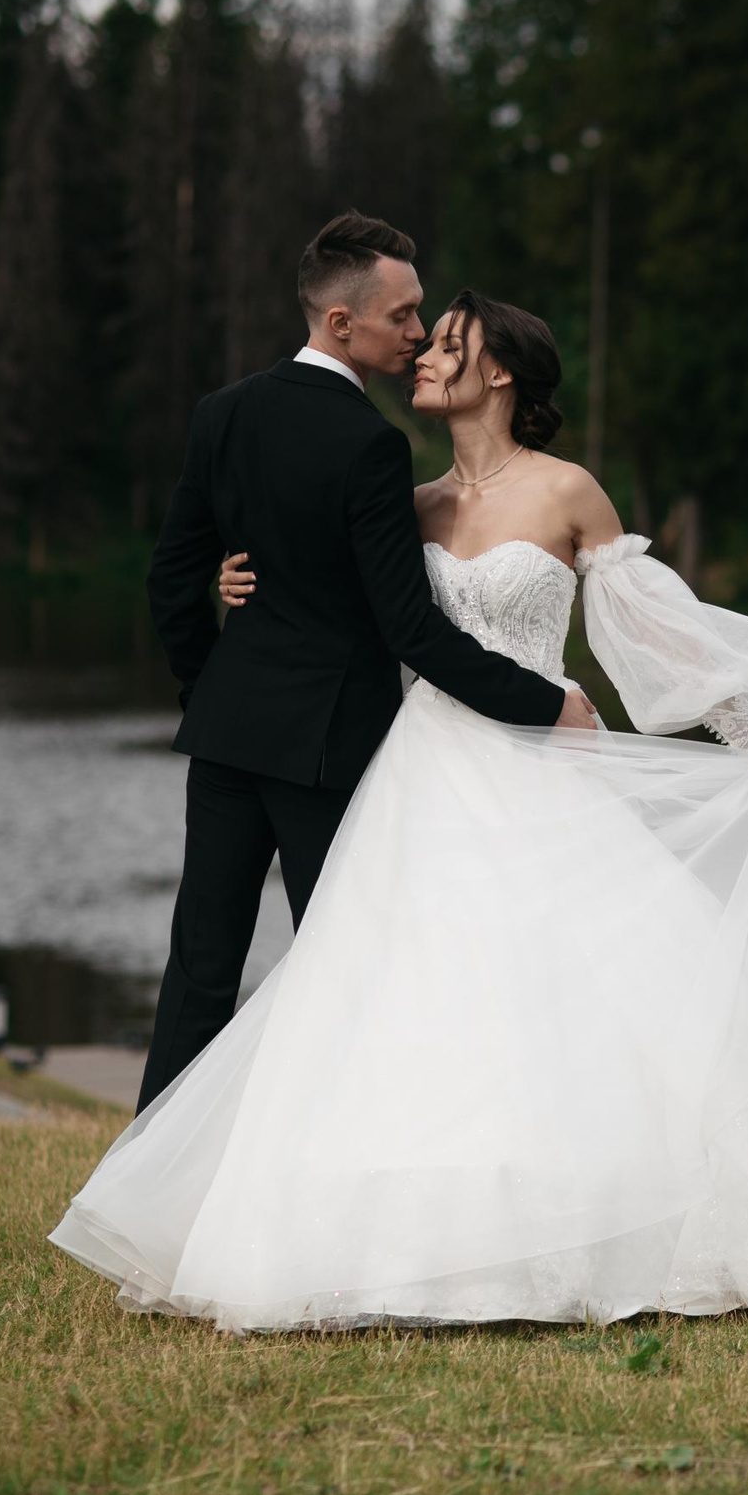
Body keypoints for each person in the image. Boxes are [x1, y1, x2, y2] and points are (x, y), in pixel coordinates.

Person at [50, 287, 748, 1330]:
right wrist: (229, 588)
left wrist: (747, 735)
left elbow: (649, 632)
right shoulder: (407, 499)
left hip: (546, 772)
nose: (423, 355)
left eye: (448, 342)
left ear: (499, 372)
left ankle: (602, 1224)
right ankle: (409, 1240)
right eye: (423, 337)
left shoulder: (568, 491)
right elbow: (338, 604)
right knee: (405, 1000)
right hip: (423, 776)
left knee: (580, 1001)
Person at [134, 214, 599, 1113]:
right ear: (342, 324)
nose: (418, 332)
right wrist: (543, 705)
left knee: (200, 965)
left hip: (229, 739)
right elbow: (410, 631)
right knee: (346, 969)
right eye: (404, 315)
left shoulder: (220, 413)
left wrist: (211, 687)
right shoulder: (371, 446)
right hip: (328, 751)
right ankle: (345, 1162)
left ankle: (144, 1183)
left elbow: (169, 579)